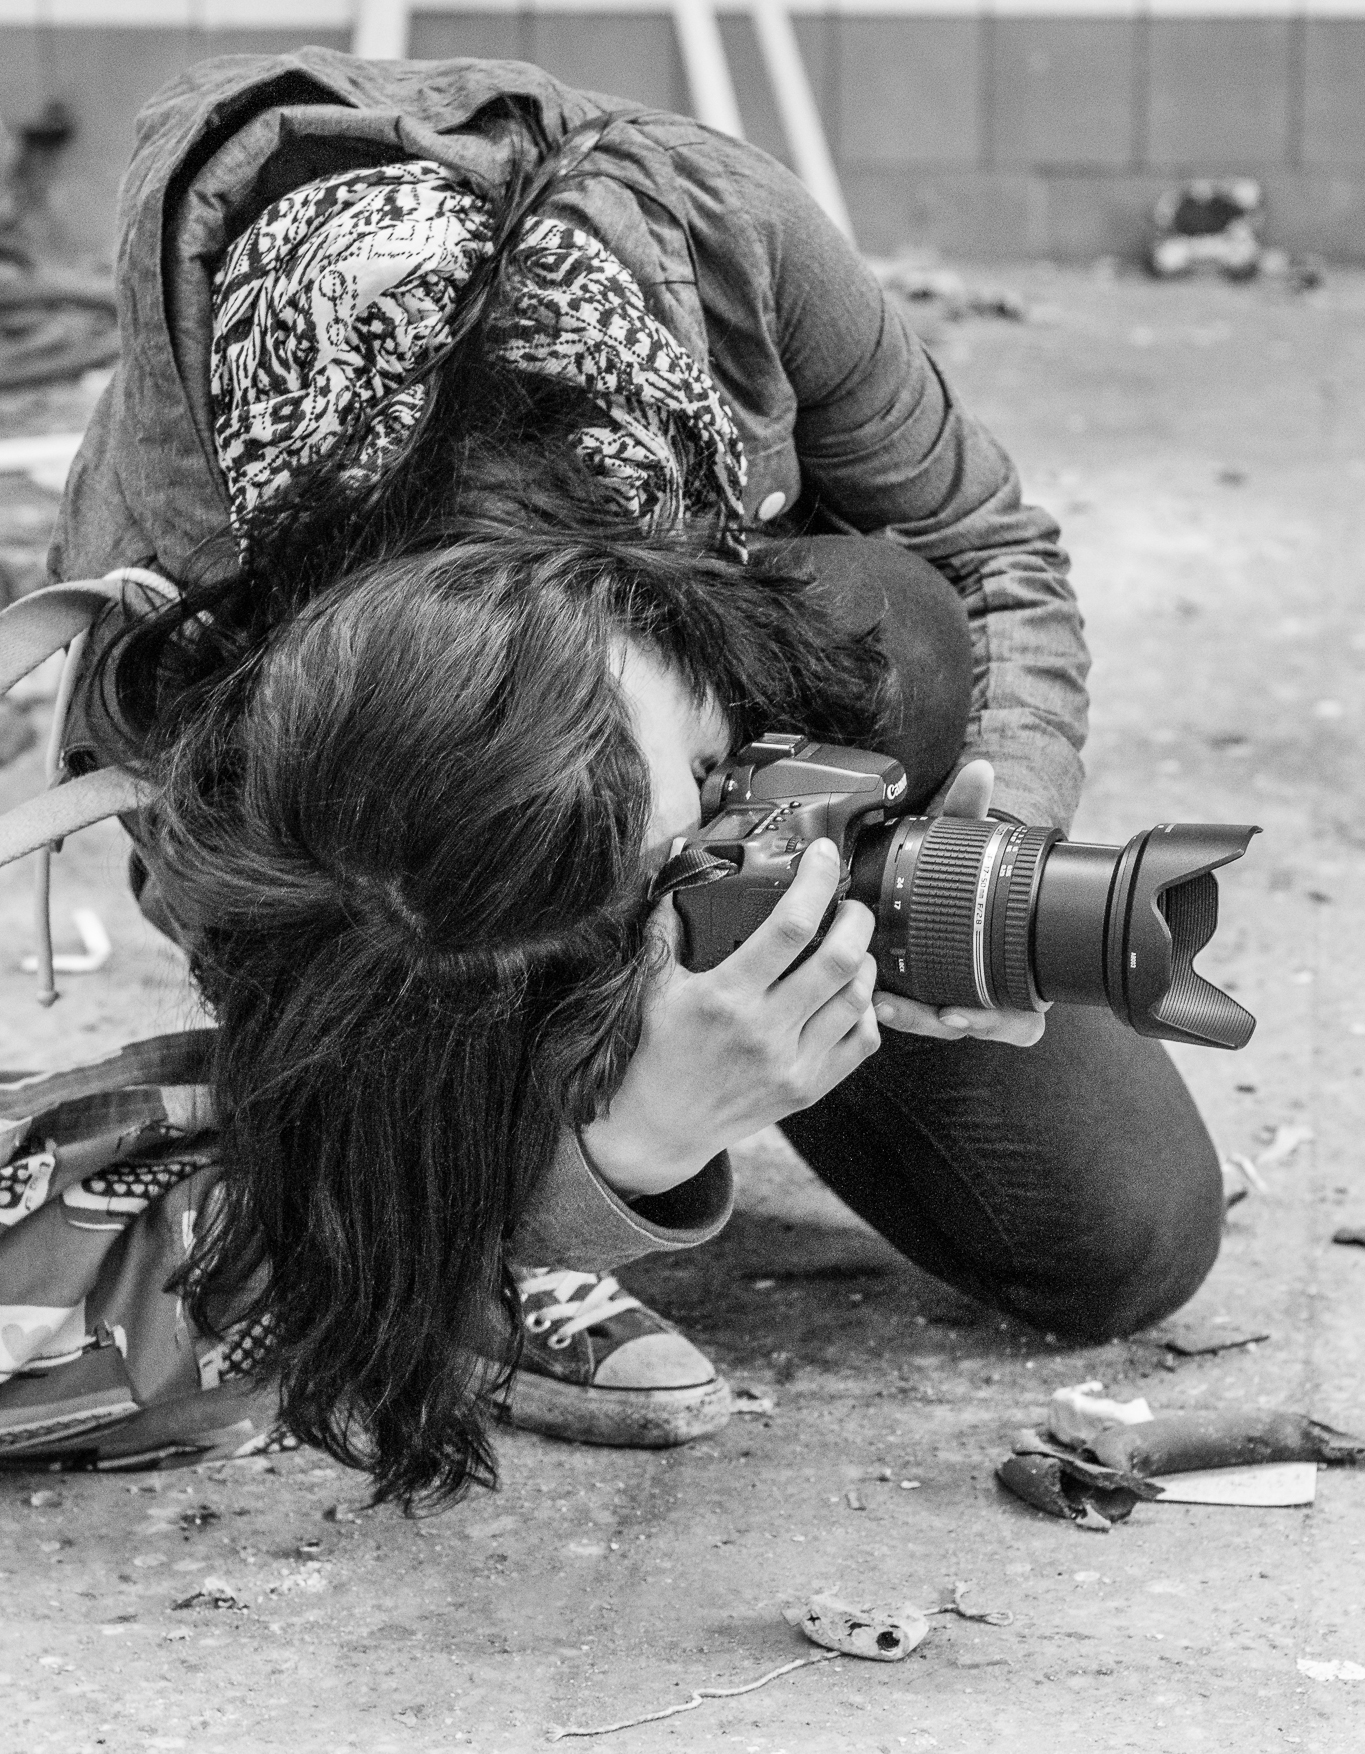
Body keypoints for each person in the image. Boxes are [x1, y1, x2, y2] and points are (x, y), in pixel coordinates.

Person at [0, 49, 1224, 1503]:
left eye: (696, 790)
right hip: (432, 862)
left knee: (1119, 1235)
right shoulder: (202, 580)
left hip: (689, 633)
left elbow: (991, 547)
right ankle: (520, 1213)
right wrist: (626, 1150)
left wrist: (992, 817)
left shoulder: (729, 238)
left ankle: (672, 962)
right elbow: (288, 981)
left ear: (615, 590)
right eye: (658, 861)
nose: (694, 856)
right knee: (407, 1014)